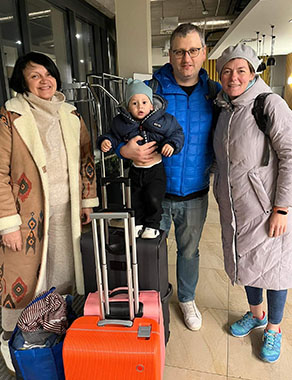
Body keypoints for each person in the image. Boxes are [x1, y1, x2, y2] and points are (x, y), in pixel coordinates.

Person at [0, 52, 99, 372]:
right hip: (24, 216)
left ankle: (51, 324)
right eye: (34, 75)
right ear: (22, 82)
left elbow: (85, 162)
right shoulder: (8, 117)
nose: (44, 81)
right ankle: (9, 336)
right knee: (21, 278)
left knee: (61, 273)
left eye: (48, 74)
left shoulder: (70, 114)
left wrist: (86, 201)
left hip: (65, 211)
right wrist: (6, 224)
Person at [117, 24, 221, 330]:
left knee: (189, 251)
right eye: (179, 51)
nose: (186, 58)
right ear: (170, 54)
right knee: (151, 249)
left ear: (203, 53)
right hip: (155, 189)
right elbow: (118, 129)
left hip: (195, 191)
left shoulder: (214, 93)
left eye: (192, 50)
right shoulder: (151, 90)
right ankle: (152, 301)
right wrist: (124, 151)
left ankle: (187, 299)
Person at [213, 43, 292, 363]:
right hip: (235, 207)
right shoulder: (224, 108)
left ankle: (273, 327)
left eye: (241, 70)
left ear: (253, 72)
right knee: (244, 262)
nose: (234, 77)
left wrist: (282, 207)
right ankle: (256, 314)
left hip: (268, 208)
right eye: (227, 71)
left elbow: (290, 155)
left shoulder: (268, 104)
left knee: (273, 270)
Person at [97, 78, 184, 239]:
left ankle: (152, 225)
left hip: (155, 170)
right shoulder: (121, 123)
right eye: (134, 103)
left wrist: (171, 144)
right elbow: (113, 135)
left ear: (151, 105)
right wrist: (106, 141)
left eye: (144, 102)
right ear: (128, 107)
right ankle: (137, 223)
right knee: (135, 198)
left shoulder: (163, 121)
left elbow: (177, 133)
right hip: (136, 170)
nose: (140, 106)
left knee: (153, 198)